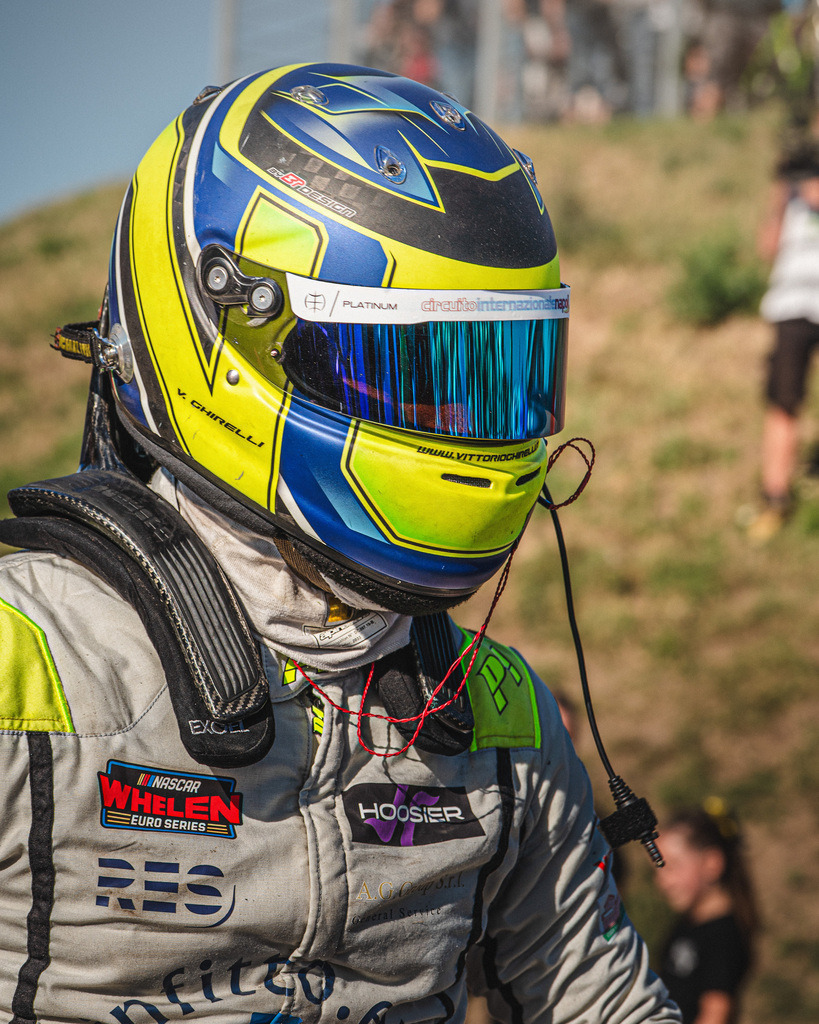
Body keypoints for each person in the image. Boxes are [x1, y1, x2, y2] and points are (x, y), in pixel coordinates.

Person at [0, 63, 681, 1023]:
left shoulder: (502, 720)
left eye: (492, 372)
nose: (459, 420)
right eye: (407, 370)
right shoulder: (24, 659)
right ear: (220, 328)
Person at [745, 141, 819, 541]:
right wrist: (782, 194)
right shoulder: (793, 190)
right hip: (792, 306)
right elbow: (767, 248)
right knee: (782, 403)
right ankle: (775, 498)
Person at [656, 800, 759, 1024]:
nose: (663, 882)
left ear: (712, 863)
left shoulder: (724, 937)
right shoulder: (687, 925)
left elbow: (715, 1014)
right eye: (658, 869)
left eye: (672, 866)